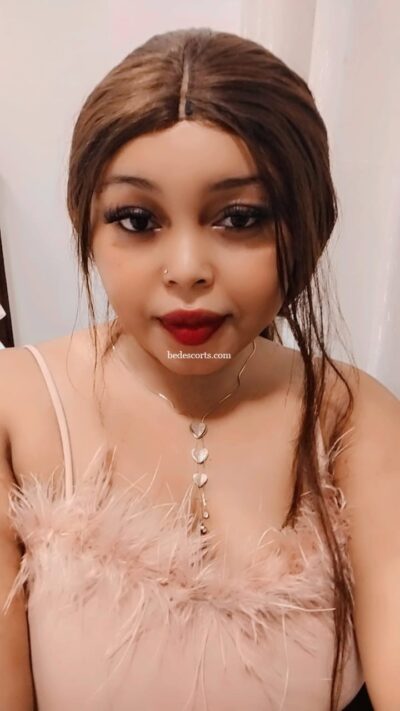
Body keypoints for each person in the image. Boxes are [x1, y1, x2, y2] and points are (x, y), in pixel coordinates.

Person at [0, 26, 398, 711]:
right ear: (87, 225)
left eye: (240, 218)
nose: (187, 270)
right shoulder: (17, 406)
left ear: (309, 225)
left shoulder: (354, 417)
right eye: (137, 219)